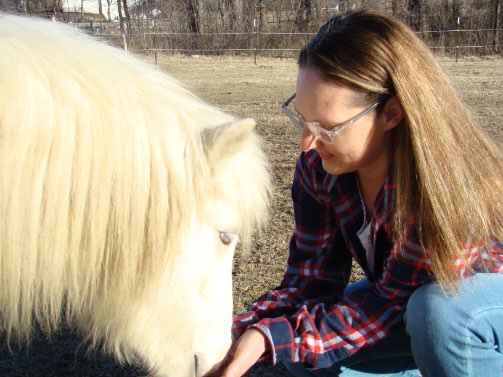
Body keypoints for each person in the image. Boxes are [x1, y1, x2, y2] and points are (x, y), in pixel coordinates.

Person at [205, 10, 503, 377]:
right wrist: (234, 335)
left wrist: (273, 338)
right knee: (298, 344)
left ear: (392, 113)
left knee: (440, 316)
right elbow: (311, 280)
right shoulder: (320, 166)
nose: (307, 143)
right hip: (411, 305)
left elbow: (387, 304)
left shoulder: (442, 183)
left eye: (327, 127)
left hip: (478, 311)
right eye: (301, 118)